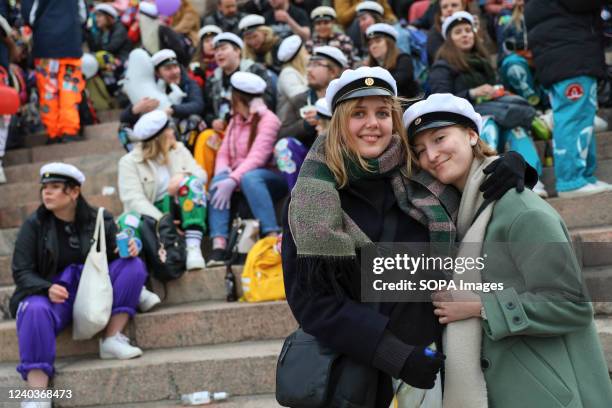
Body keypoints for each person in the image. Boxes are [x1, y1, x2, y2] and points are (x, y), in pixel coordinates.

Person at [282, 66, 536, 408]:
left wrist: (514, 164)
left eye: (383, 113)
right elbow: (312, 302)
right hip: (361, 370)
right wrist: (393, 354)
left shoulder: (421, 177)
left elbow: (471, 174)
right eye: (359, 113)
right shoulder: (312, 197)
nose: (373, 123)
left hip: (439, 362)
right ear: (340, 121)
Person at [405, 92, 612, 408]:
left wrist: (480, 306)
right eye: (420, 150)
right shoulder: (453, 213)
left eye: (440, 138)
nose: (431, 155)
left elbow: (572, 304)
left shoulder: (520, 210)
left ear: (473, 134)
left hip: (543, 392)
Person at [11, 163, 149, 408]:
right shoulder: (35, 225)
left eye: (55, 187)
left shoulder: (99, 218)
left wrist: (131, 247)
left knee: (134, 266)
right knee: (33, 309)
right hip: (54, 295)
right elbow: (21, 271)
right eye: (44, 188)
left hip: (92, 292)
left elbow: (118, 254)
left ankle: (112, 339)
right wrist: (45, 288)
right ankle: (37, 391)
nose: (47, 193)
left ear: (74, 192)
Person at [429, 11, 547, 197]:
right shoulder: (443, 66)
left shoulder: (483, 62)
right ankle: (484, 179)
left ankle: (529, 178)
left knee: (518, 129)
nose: (466, 34)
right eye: (458, 32)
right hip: (470, 121)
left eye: (468, 30)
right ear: (449, 39)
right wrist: (472, 93)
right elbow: (439, 100)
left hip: (497, 111)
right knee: (488, 126)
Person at [526, 0, 612, 198]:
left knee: (579, 115)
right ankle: (571, 180)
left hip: (560, 57)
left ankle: (584, 176)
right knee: (574, 117)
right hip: (572, 56)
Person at [207, 71, 287, 266]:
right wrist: (223, 173)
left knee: (249, 178)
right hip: (240, 174)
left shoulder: (268, 119)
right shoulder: (235, 120)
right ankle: (219, 243)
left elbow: (258, 157)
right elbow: (224, 152)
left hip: (268, 177)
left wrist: (233, 178)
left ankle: (271, 234)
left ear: (238, 98)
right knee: (218, 181)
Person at [117, 110, 208, 271]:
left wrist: (183, 175)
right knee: (127, 221)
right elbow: (134, 200)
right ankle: (137, 275)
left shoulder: (178, 149)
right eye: (169, 129)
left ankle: (193, 248)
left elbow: (201, 175)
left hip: (179, 205)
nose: (173, 132)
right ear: (160, 138)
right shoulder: (128, 162)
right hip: (152, 217)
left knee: (192, 184)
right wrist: (164, 221)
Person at [274, 46, 347, 188]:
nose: (309, 70)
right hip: (306, 161)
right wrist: (305, 124)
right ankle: (299, 199)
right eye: (309, 64)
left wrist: (329, 121)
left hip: (338, 158)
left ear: (333, 72)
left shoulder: (346, 100)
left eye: (316, 64)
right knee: (284, 146)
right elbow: (281, 135)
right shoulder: (300, 100)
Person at [21, 0, 86, 144]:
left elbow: (29, 15)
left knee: (49, 91)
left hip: (46, 45)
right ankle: (69, 130)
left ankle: (53, 132)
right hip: (70, 44)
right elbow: (83, 15)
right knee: (70, 89)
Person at [203, 32, 275, 130]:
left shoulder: (254, 70)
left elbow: (268, 99)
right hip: (221, 129)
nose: (219, 53)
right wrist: (212, 121)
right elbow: (207, 109)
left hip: (252, 125)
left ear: (237, 51)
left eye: (223, 49)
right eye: (216, 50)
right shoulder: (212, 79)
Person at [120, 49, 204, 127]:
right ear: (158, 73)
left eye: (175, 66)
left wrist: (172, 109)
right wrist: (134, 110)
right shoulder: (152, 89)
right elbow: (123, 117)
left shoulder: (189, 84)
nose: (174, 72)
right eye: (168, 68)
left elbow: (197, 105)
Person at [365, 23, 419, 99]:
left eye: (378, 41)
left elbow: (395, 83)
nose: (373, 46)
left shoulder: (404, 60)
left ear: (389, 43)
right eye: (370, 44)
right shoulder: (372, 66)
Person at [276, 34, 309, 137]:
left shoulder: (302, 71)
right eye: (305, 50)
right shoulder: (288, 73)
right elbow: (300, 99)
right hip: (290, 128)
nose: (308, 53)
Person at [426, 0, 467, 66]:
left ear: (463, 7)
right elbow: (438, 58)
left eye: (454, 5)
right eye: (445, 7)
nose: (449, 9)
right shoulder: (435, 33)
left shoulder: (472, 25)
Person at [190, 25, 222, 89]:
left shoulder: (226, 62)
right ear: (201, 46)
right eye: (207, 41)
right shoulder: (195, 65)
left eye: (214, 40)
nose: (211, 44)